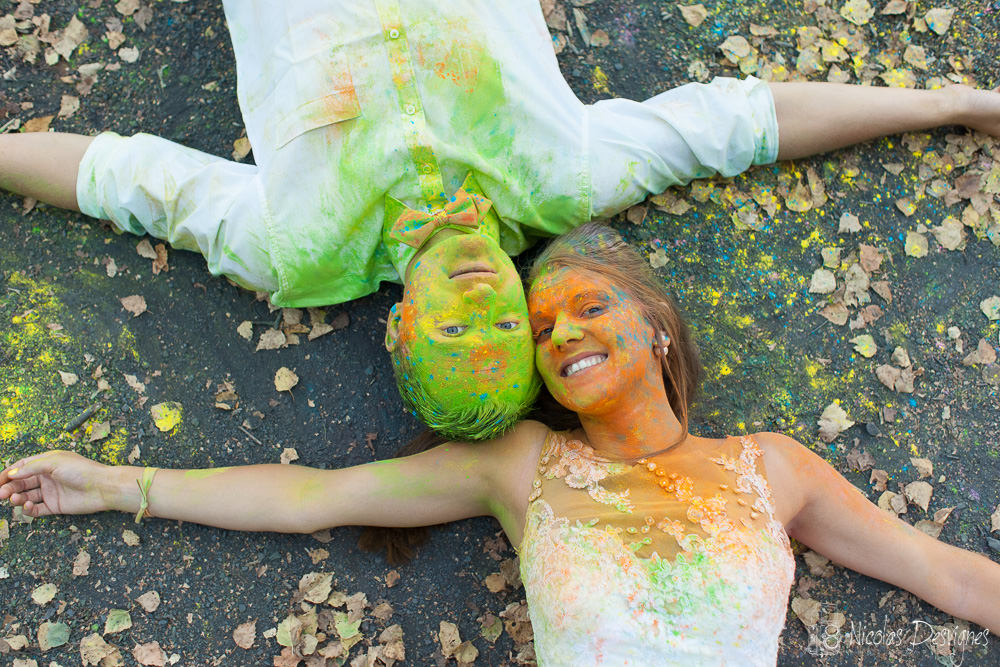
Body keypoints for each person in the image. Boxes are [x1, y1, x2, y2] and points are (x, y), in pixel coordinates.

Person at [2, 223, 997, 665]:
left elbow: (949, 578)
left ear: (654, 325)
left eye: (588, 307)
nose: (561, 333)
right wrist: (115, 484)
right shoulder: (524, 465)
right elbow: (312, 498)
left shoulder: (771, 467)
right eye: (540, 327)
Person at [3, 1, 1000, 440]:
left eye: (452, 332)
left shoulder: (293, 252)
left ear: (397, 325)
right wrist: (952, 104)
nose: (486, 305)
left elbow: (115, 177)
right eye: (504, 332)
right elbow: (742, 123)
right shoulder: (560, 182)